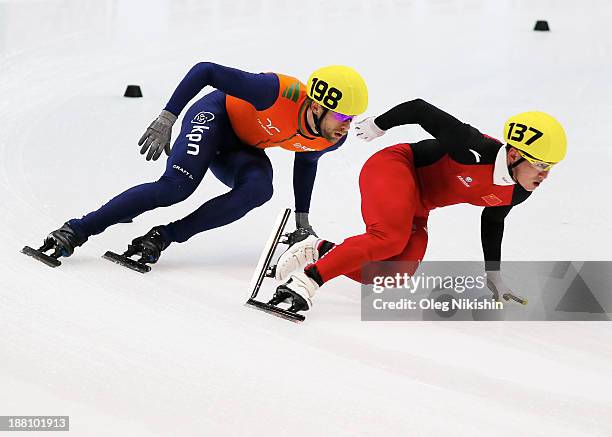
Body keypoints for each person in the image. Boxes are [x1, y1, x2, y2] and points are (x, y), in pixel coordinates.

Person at [35, 63, 368, 266]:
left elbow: (306, 162)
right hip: (214, 119)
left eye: (351, 118)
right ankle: (77, 229)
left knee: (258, 189)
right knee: (175, 188)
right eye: (340, 115)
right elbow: (206, 70)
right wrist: (168, 116)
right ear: (314, 106)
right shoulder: (274, 91)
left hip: (241, 147)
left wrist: (302, 218)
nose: (346, 125)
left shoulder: (332, 136)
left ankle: (163, 237)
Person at [270, 99, 567, 312]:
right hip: (395, 167)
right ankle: (307, 280)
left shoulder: (521, 190)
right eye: (540, 164)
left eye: (551, 167)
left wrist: (493, 274)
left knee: (398, 272)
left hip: (419, 202)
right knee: (389, 238)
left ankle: (318, 249)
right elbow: (420, 109)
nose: (545, 175)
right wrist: (378, 124)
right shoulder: (473, 148)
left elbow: (493, 221)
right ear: (514, 155)